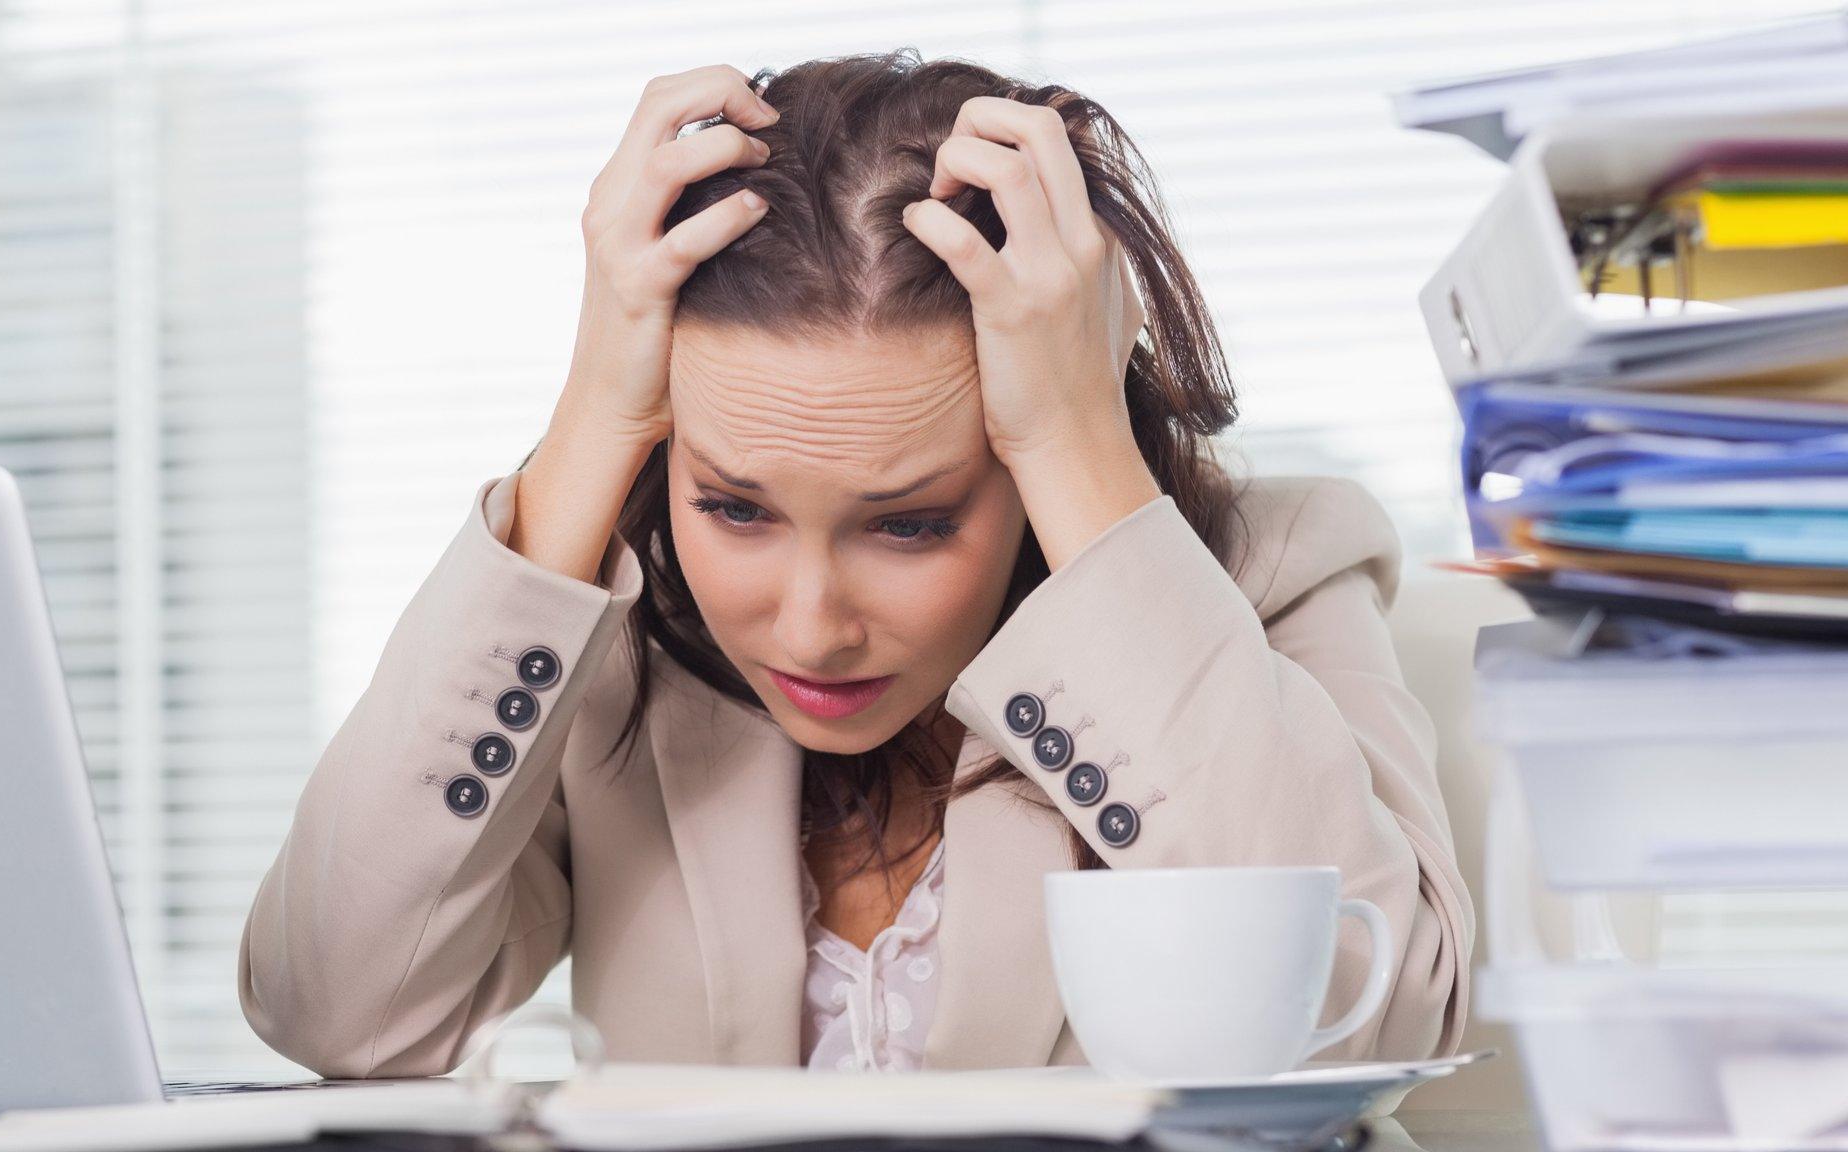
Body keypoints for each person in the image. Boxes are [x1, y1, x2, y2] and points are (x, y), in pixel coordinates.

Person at [238, 49, 1473, 1079]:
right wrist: (590, 427)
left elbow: (1373, 1026)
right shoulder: (613, 652)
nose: (810, 626)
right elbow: (335, 1008)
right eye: (734, 508)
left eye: (910, 524)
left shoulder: (1280, 575)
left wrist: (1078, 446)